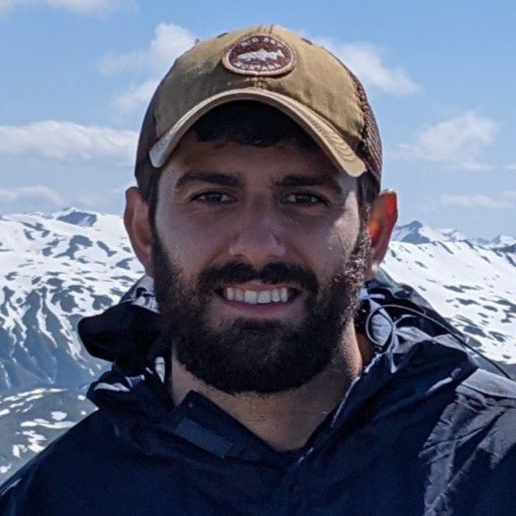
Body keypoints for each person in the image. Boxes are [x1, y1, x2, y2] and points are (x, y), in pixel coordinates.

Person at [1, 25, 515, 516]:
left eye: (304, 198)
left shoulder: (496, 468)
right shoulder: (49, 502)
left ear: (374, 233)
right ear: (143, 230)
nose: (257, 245)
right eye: (213, 196)